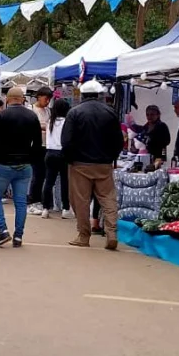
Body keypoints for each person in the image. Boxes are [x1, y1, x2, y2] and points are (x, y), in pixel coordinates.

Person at [61, 79, 124, 251]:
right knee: (108, 199)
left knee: (80, 202)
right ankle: (112, 234)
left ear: (82, 94)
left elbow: (66, 141)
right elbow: (119, 140)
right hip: (104, 163)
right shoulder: (110, 112)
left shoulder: (74, 112)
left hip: (79, 164)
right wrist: (112, 157)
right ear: (99, 94)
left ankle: (83, 235)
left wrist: (70, 159)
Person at [0, 86, 42, 248]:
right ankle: (19, 235)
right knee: (20, 202)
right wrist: (30, 158)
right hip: (24, 164)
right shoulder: (32, 116)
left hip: (3, 164)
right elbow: (38, 144)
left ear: (7, 99)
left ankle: (3, 230)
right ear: (23, 99)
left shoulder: (0, 116)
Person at [42, 98, 72, 219]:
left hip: (49, 153)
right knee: (65, 182)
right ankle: (65, 209)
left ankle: (45, 208)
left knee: (49, 182)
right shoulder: (67, 122)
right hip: (63, 153)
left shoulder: (50, 122)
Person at [28, 86, 53, 215]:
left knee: (44, 175)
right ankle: (32, 201)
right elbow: (33, 126)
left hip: (47, 145)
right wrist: (44, 127)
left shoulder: (48, 111)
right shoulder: (31, 110)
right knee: (37, 175)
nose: (47, 102)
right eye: (45, 99)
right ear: (39, 96)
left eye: (49, 100)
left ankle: (39, 200)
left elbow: (49, 126)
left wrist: (45, 127)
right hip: (35, 146)